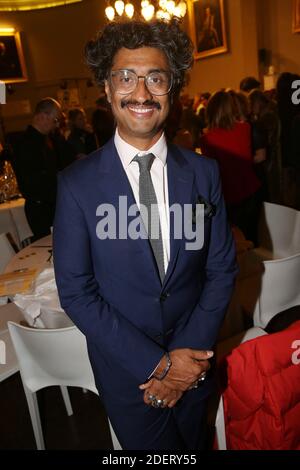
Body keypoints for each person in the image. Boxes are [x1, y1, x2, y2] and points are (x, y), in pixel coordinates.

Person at [53, 19, 237, 450]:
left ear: (172, 90)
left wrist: (185, 362)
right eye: (126, 77)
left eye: (156, 78)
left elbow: (222, 268)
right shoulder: (76, 184)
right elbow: (77, 293)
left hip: (196, 362)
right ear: (106, 88)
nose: (141, 93)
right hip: (129, 375)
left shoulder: (204, 172)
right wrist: (158, 366)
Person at [13, 98, 62, 241]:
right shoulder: (26, 144)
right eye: (55, 120)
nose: (56, 125)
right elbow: (34, 181)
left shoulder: (45, 140)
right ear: (42, 116)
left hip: (49, 205)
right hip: (41, 209)